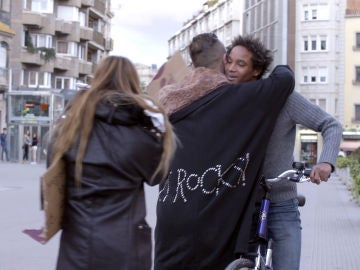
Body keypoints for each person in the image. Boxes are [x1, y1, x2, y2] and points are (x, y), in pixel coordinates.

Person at [154, 33, 294, 270]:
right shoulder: (239, 97)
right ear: (223, 59)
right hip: (211, 221)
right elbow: (284, 78)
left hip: (170, 211)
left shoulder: (169, 100)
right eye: (229, 60)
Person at [224, 35, 343, 270]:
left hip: (280, 202)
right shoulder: (225, 98)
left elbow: (331, 125)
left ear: (257, 70)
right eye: (228, 61)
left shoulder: (283, 99)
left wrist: (326, 162)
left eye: (240, 64)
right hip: (239, 203)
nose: (230, 68)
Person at [47, 55, 176, 270]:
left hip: (77, 246)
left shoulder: (68, 131)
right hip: (126, 249)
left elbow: (53, 176)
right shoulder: (141, 136)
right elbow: (159, 176)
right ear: (132, 84)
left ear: (97, 79)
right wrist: (157, 132)